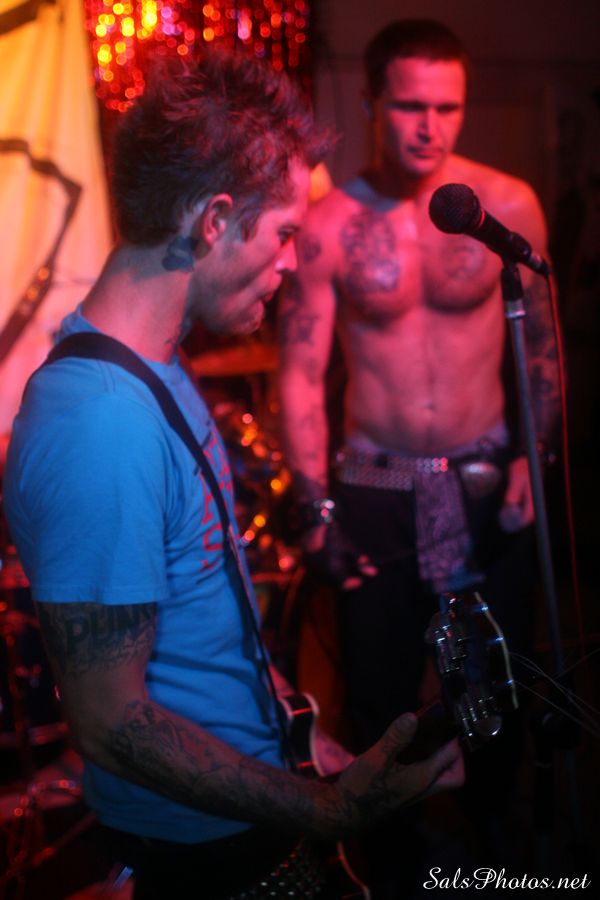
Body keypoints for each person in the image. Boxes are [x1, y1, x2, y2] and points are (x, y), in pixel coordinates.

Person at [3, 51, 463, 899]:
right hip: (210, 859)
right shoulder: (99, 420)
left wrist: (300, 731)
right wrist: (327, 811)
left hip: (254, 810)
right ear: (214, 220)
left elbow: (205, 622)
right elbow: (109, 722)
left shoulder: (156, 365)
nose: (292, 262)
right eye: (284, 233)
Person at [277, 17, 559, 892]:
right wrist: (315, 505)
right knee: (382, 696)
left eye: (447, 107)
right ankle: (392, 864)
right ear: (371, 102)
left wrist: (534, 458)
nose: (429, 126)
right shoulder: (329, 223)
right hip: (375, 486)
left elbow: (541, 346)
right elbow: (299, 370)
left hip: (484, 476)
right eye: (409, 106)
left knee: (499, 683)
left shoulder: (505, 206)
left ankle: (502, 852)